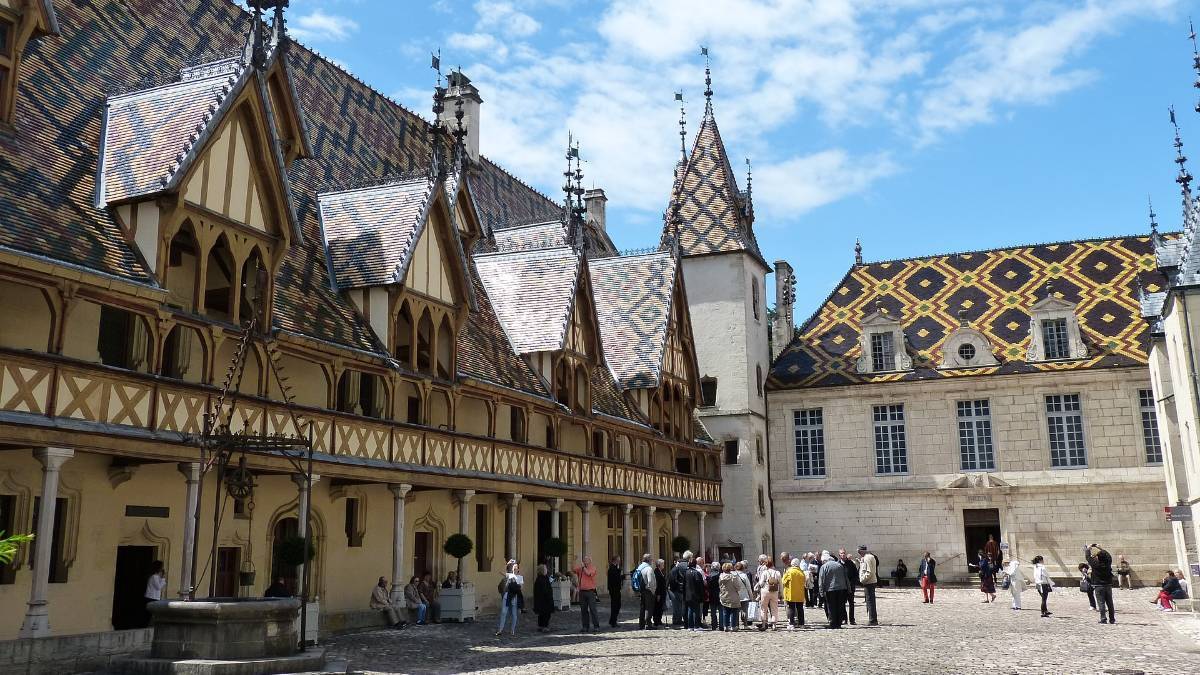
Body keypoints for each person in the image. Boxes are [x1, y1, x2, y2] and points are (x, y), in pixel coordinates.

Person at [1084, 543, 1116, 624]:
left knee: (1101, 603)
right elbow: (1109, 556)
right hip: (1108, 584)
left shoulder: (1095, 564)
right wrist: (1101, 548)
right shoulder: (1108, 562)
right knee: (1110, 602)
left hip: (1098, 585)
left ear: (1098, 558)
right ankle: (1112, 619)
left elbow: (1088, 558)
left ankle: (1103, 618)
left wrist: (1088, 549)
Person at [819, 551, 849, 629]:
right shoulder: (840, 565)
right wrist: (848, 589)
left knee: (831, 606)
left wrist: (821, 592)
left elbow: (821, 580)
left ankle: (833, 623)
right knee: (840, 606)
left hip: (830, 589)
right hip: (841, 588)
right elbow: (846, 578)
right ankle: (839, 623)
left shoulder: (824, 566)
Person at [571, 554, 600, 633]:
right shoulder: (580, 569)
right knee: (583, 610)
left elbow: (588, 574)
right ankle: (585, 626)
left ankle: (596, 626)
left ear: (589, 561)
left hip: (590, 592)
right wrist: (574, 560)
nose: (584, 561)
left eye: (586, 560)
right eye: (584, 560)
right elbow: (573, 569)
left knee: (592, 609)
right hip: (582, 592)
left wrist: (583, 567)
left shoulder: (593, 568)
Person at [496, 562, 524, 636]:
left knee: (514, 615)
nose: (515, 568)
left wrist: (515, 585)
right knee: (503, 612)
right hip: (507, 596)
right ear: (512, 569)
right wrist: (507, 564)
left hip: (514, 597)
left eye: (516, 567)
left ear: (518, 569)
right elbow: (500, 571)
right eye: (513, 567)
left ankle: (512, 630)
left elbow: (521, 588)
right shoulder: (510, 575)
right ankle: (500, 630)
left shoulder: (520, 577)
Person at [755, 556, 782, 631]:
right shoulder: (777, 573)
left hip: (765, 591)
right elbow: (781, 584)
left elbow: (760, 584)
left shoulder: (764, 573)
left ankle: (764, 624)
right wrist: (781, 593)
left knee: (764, 608)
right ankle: (774, 625)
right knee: (774, 608)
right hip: (774, 592)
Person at [718, 562, 745, 631]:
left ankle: (726, 626)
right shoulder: (733, 577)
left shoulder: (721, 577)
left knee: (725, 612)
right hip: (733, 596)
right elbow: (738, 587)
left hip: (724, 595)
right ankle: (733, 626)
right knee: (734, 611)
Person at [782, 558, 806, 629]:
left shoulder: (789, 572)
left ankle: (791, 624)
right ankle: (801, 624)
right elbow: (804, 582)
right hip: (800, 594)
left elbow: (783, 581)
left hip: (791, 593)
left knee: (791, 608)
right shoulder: (801, 572)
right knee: (800, 609)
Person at [668, 552, 690, 628]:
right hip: (677, 590)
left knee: (678, 606)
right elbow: (673, 580)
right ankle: (677, 620)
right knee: (678, 606)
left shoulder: (676, 569)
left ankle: (678, 619)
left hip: (676, 589)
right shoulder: (677, 569)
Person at [858, 544, 879, 625]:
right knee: (870, 601)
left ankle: (872, 620)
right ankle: (872, 618)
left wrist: (863, 579)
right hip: (870, 581)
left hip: (869, 582)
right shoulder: (868, 557)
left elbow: (869, 571)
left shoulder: (867, 558)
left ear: (861, 551)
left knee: (870, 602)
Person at [635, 553, 657, 629]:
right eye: (651, 559)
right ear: (648, 560)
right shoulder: (649, 568)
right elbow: (650, 581)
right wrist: (652, 590)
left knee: (642, 607)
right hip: (648, 590)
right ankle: (648, 624)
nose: (652, 561)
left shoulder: (640, 567)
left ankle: (641, 623)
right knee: (649, 607)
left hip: (642, 590)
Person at [684, 557, 706, 631]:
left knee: (690, 610)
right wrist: (702, 595)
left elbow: (684, 584)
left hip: (688, 594)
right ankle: (696, 626)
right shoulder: (697, 573)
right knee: (696, 611)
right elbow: (700, 586)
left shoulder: (686, 572)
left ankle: (690, 626)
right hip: (695, 594)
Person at [143, 560, 166, 628]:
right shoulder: (154, 577)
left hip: (154, 597)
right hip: (151, 597)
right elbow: (158, 587)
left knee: (151, 615)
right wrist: (163, 578)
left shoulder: (156, 576)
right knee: (150, 615)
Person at [533, 564, 555, 631]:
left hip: (541, 600)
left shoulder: (539, 578)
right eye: (545, 569)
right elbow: (545, 590)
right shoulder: (543, 579)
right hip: (545, 600)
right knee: (546, 614)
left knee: (541, 614)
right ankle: (544, 626)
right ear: (542, 570)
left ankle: (540, 626)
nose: (546, 570)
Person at [838, 548, 858, 625]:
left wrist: (853, 583)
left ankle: (852, 619)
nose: (843, 554)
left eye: (844, 553)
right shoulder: (838, 564)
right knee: (842, 604)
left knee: (851, 603)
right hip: (842, 587)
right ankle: (844, 619)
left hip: (850, 587)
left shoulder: (850, 563)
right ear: (839, 555)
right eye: (841, 553)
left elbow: (855, 574)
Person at [735, 560, 752, 627]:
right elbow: (748, 586)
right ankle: (745, 625)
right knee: (744, 611)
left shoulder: (733, 575)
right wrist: (751, 595)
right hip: (744, 595)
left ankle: (736, 625)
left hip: (736, 595)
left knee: (736, 611)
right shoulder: (744, 576)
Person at [607, 555, 623, 628]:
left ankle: (612, 620)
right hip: (614, 590)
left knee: (617, 605)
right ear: (615, 560)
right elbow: (616, 578)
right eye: (618, 560)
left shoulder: (615, 567)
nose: (619, 561)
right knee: (615, 606)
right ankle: (613, 621)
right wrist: (622, 576)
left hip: (615, 589)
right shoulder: (612, 568)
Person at [706, 561, 722, 630]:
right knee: (721, 610)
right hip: (720, 594)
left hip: (712, 594)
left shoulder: (709, 576)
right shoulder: (720, 575)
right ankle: (721, 625)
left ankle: (714, 625)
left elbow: (707, 586)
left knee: (713, 611)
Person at [653, 559, 667, 626]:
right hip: (659, 593)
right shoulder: (657, 572)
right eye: (663, 564)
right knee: (658, 607)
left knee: (660, 607)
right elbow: (657, 584)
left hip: (662, 593)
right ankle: (656, 620)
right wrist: (658, 594)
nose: (663, 565)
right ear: (660, 565)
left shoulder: (660, 571)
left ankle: (659, 619)